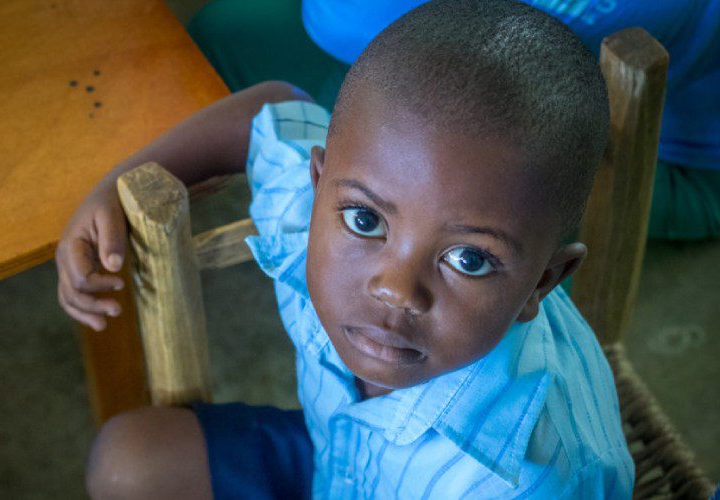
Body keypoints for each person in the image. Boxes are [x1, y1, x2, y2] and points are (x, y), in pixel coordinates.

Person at [57, 1, 634, 497]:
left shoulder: (534, 479)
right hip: (338, 459)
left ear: (543, 281)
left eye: (469, 259)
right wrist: (117, 184)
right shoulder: (315, 210)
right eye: (365, 220)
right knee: (128, 463)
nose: (395, 289)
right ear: (319, 183)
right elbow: (272, 108)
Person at [189, 0, 720, 241]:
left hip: (676, 160)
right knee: (221, 32)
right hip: (510, 54)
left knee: (403, 127)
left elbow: (346, 20)